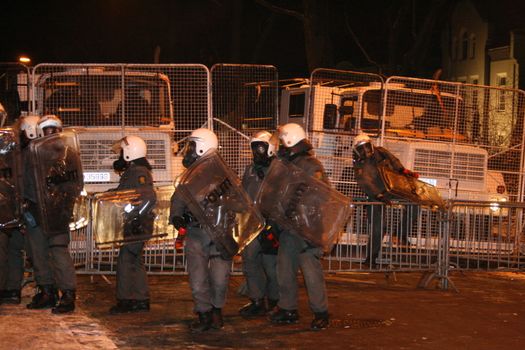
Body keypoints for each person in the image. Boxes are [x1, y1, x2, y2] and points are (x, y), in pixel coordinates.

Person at [269, 122, 330, 331]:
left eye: (283, 144)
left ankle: (321, 312)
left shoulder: (312, 166)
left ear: (290, 142)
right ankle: (288, 308)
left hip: (307, 228)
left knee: (311, 271)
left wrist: (296, 206)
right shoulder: (286, 166)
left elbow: (321, 194)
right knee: (284, 268)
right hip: (289, 227)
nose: (280, 148)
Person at [169, 128, 232, 332]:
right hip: (196, 233)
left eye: (192, 146)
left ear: (203, 148)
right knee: (198, 278)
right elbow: (177, 200)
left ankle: (216, 311)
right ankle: (204, 314)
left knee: (220, 278)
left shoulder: (225, 176)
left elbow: (238, 203)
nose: (189, 151)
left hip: (220, 232)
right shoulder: (188, 177)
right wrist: (177, 217)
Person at [25, 115, 78, 314]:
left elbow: (74, 183)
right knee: (38, 252)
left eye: (53, 130)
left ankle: (68, 293)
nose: (50, 134)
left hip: (56, 211)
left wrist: (63, 204)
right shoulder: (32, 153)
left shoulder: (68, 154)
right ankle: (47, 291)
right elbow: (26, 181)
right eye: (47, 130)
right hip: (36, 208)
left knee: (58, 251)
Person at [352, 133, 420, 267]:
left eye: (366, 147)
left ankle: (400, 234)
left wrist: (403, 171)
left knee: (414, 202)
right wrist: (378, 196)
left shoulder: (381, 152)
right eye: (361, 148)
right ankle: (371, 259)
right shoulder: (359, 164)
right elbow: (365, 182)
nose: (365, 151)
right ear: (356, 150)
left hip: (391, 188)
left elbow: (393, 160)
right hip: (375, 195)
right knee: (378, 228)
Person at [109, 135, 156, 314]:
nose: (120, 156)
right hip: (138, 223)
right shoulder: (137, 170)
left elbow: (147, 197)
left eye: (122, 152)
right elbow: (126, 194)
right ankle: (141, 299)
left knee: (126, 260)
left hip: (137, 224)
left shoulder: (138, 172)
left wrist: (136, 217)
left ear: (129, 152)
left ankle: (126, 300)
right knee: (135, 260)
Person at [239, 131, 280, 317]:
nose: (257, 152)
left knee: (272, 266)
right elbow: (243, 194)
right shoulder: (250, 170)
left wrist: (274, 223)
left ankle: (275, 301)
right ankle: (257, 300)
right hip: (252, 224)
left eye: (260, 148)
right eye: (254, 148)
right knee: (250, 262)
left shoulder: (279, 170)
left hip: (272, 224)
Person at [0, 116, 33, 305]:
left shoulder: (9, 149)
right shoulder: (22, 151)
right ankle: (12, 290)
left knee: (7, 249)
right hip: (17, 206)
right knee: (13, 250)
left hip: (8, 207)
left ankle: (8, 288)